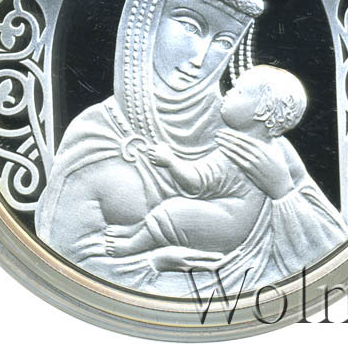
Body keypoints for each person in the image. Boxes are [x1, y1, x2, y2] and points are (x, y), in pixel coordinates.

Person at [35, 0, 348, 296]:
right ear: (147, 16)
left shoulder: (256, 143)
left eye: (224, 40)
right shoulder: (96, 137)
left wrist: (282, 193)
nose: (200, 58)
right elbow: (59, 267)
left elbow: (334, 260)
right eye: (190, 25)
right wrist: (154, 263)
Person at [104, 65, 307, 258]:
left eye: (238, 91)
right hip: (231, 217)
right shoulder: (272, 147)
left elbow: (197, 184)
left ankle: (132, 246)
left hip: (227, 227)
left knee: (173, 210)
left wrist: (171, 162)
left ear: (262, 110)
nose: (227, 92)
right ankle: (138, 231)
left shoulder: (241, 152)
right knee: (172, 209)